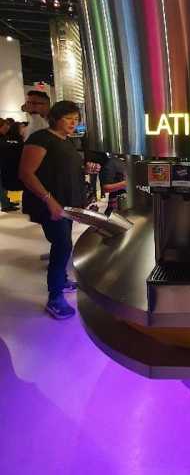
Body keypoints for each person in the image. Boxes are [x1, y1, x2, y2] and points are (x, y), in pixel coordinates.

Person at [19, 100, 99, 320]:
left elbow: (62, 170)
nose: (73, 123)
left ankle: (61, 280)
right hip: (49, 204)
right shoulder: (41, 138)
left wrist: (86, 168)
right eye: (68, 118)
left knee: (64, 243)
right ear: (55, 118)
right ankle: (54, 298)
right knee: (62, 245)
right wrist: (49, 200)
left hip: (66, 204)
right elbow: (26, 173)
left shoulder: (67, 141)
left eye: (76, 119)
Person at [0, 118, 19, 212]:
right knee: (1, 185)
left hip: (3, 163)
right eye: (5, 126)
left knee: (3, 183)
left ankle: (6, 201)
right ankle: (5, 204)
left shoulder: (4, 137)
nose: (7, 127)